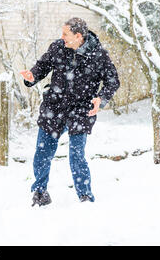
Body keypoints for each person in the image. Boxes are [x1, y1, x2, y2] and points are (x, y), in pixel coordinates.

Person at [20, 17, 120, 206]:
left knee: (76, 155)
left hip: (81, 109)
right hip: (54, 107)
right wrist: (32, 76)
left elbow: (112, 80)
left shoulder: (98, 55)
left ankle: (85, 196)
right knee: (42, 153)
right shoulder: (58, 47)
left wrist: (102, 98)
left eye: (65, 33)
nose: (61, 36)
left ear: (78, 35)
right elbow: (42, 66)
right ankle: (40, 192)